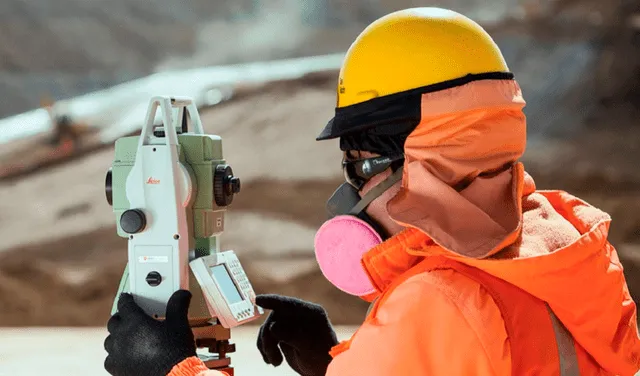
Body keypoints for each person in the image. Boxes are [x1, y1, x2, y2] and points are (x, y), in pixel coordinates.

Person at [104, 7, 640, 376]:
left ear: (422, 163)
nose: (351, 192)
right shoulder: (562, 255)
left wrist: (170, 369)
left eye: (359, 166)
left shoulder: (438, 300)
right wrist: (341, 362)